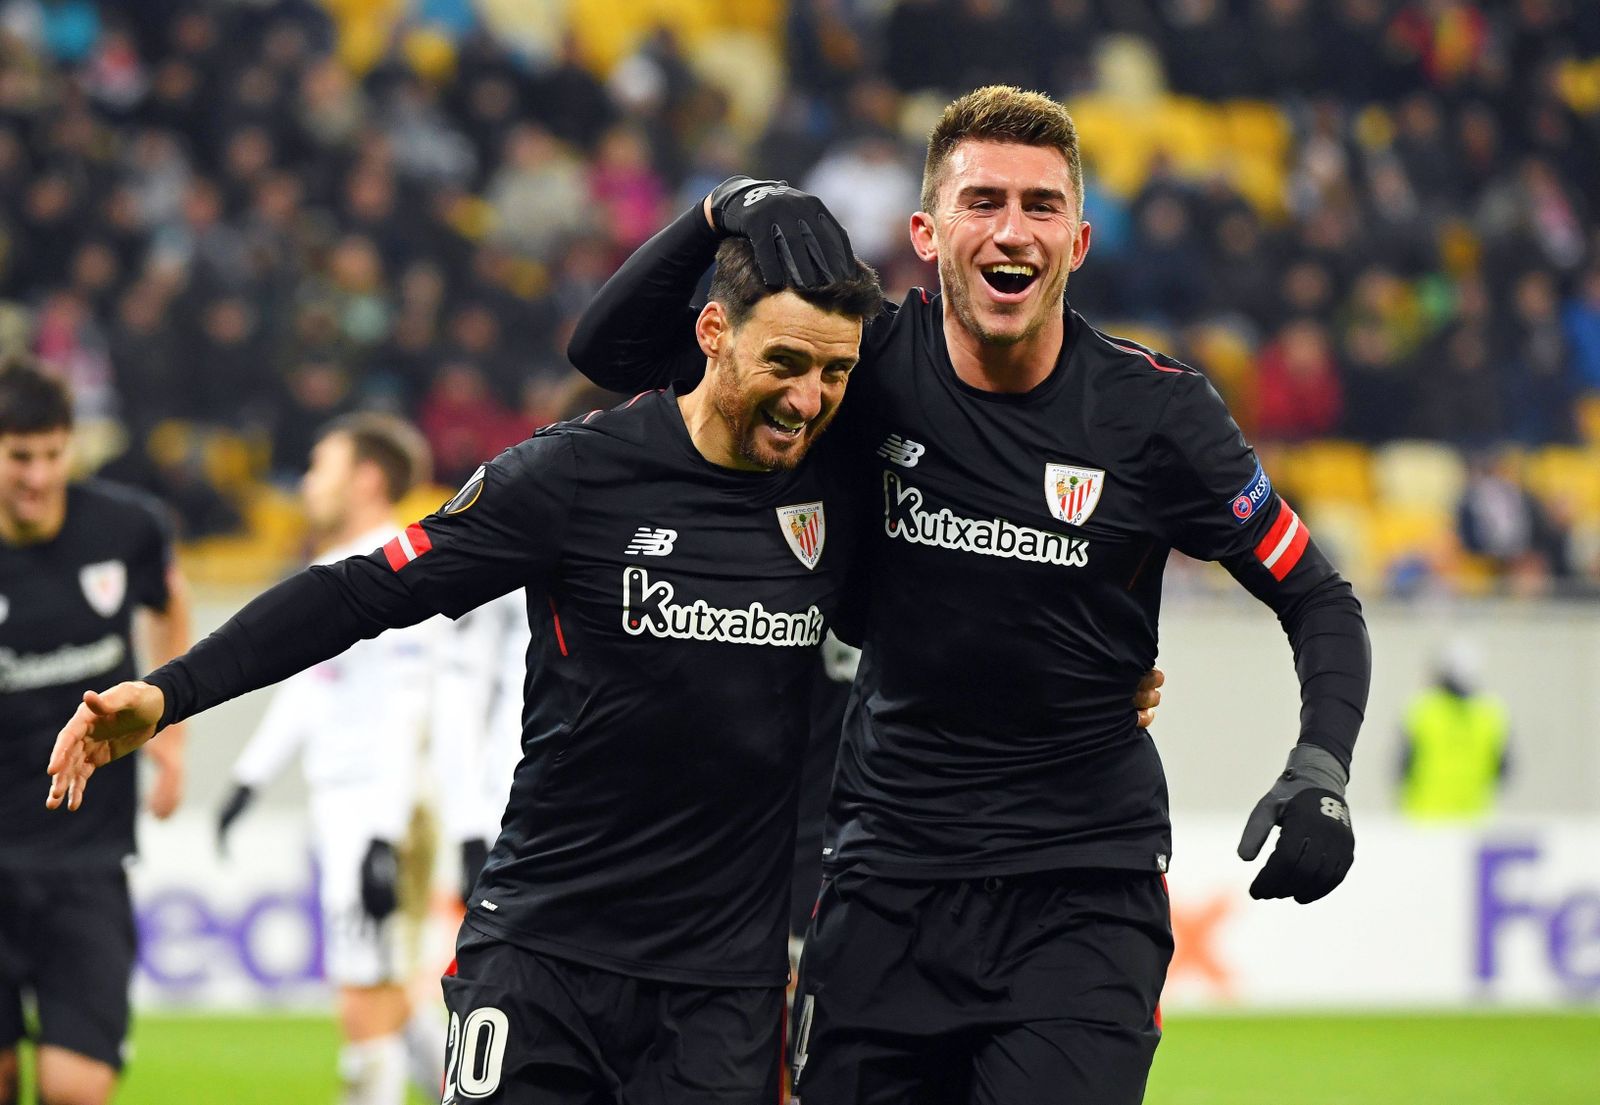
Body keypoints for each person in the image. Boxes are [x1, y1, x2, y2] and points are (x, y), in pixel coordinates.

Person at [565, 85, 1372, 1104]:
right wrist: (723, 209)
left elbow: (1318, 593)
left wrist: (1321, 761)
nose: (1011, 228)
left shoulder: (1155, 414)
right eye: (982, 199)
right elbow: (610, 356)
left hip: (1079, 896)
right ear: (925, 232)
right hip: (882, 883)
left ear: (1077, 241)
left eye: (1040, 206)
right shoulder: (861, 364)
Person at [46, 239, 886, 1105]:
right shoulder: (578, 474)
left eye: (836, 372)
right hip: (544, 956)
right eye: (785, 362)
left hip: (722, 989)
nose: (807, 398)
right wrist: (172, 690)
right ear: (713, 330)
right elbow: (360, 591)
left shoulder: (841, 489)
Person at [212, 413, 444, 1105]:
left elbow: (412, 705)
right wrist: (249, 780)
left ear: (367, 478)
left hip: (382, 803)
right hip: (352, 801)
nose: (307, 483)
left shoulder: (395, 568)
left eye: (321, 467)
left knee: (364, 998)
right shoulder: (342, 568)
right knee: (391, 989)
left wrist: (382, 827)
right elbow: (311, 689)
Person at [0, 358, 190, 1105]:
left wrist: (170, 732)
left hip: (87, 857)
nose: (38, 476)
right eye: (19, 456)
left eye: (52, 454)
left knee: (76, 1088)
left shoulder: (126, 525)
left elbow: (171, 604)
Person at [1398, 638, 1510, 820]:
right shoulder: (1491, 713)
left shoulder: (1421, 709)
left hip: (1424, 820)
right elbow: (1504, 770)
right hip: (1475, 820)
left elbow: (1402, 767)